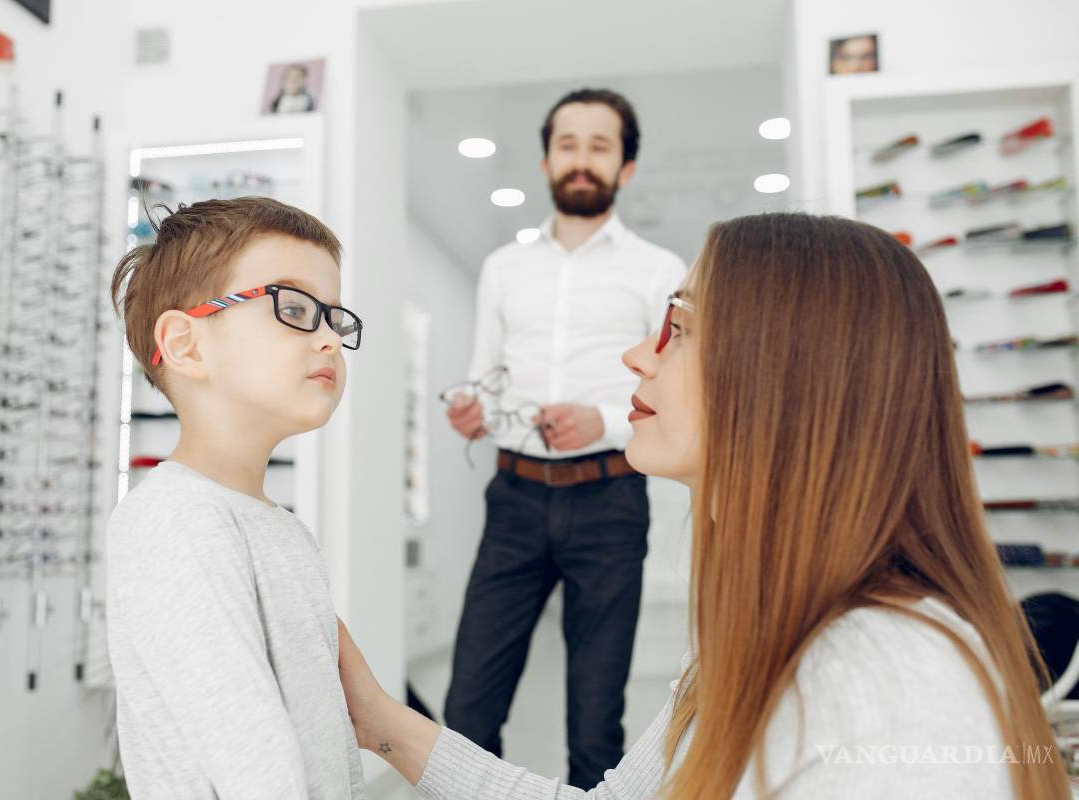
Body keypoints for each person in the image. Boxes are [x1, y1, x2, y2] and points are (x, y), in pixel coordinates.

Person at [339, 213, 1071, 799]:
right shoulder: (756, 634)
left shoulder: (882, 680)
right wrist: (378, 721)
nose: (637, 356)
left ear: (785, 377)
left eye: (679, 330)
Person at [442, 87, 686, 790]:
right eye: (568, 145)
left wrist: (603, 423)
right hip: (514, 499)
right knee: (467, 709)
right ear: (547, 160)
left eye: (599, 146)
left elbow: (669, 391)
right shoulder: (503, 269)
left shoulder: (658, 270)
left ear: (626, 167)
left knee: (595, 722)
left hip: (609, 501)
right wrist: (470, 408)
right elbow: (482, 379)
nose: (581, 160)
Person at [104, 197, 365, 799]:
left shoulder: (282, 530)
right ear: (187, 344)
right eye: (294, 308)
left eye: (335, 318)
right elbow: (259, 770)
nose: (327, 338)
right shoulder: (174, 523)